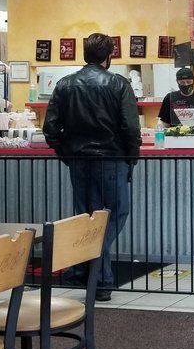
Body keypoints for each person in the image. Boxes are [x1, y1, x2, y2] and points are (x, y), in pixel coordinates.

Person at [42, 32, 140, 301]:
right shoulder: (118, 84)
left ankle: (90, 274)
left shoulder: (65, 84)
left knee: (87, 218)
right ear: (109, 56)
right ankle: (94, 274)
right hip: (112, 159)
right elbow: (131, 127)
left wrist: (66, 153)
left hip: (79, 161)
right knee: (117, 213)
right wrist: (131, 158)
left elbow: (50, 128)